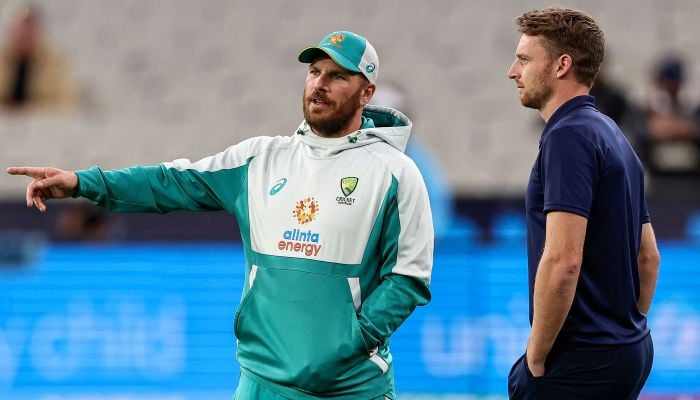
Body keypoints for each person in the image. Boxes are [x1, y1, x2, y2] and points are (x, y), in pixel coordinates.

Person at [7, 30, 434, 399]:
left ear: (366, 93)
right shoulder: (260, 159)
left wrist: (351, 342)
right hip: (260, 384)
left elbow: (409, 277)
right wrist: (84, 183)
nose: (319, 84)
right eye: (314, 72)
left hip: (351, 389)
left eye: (337, 76)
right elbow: (169, 181)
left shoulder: (395, 172)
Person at [506, 8, 660, 399]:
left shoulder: (568, 137)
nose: (512, 71)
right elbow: (649, 257)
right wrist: (626, 329)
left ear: (561, 65)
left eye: (524, 59)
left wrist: (536, 356)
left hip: (581, 358)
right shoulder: (609, 131)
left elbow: (563, 261)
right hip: (627, 350)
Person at [0, 4, 77, 111]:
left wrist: (29, 109)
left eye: (27, 32)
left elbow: (65, 102)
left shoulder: (55, 63)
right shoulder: (3, 59)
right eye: (19, 32)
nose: (23, 37)